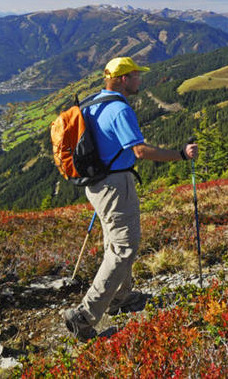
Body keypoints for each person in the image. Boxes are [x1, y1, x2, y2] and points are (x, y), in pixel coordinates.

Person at [63, 56, 198, 341]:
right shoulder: (120, 110)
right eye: (137, 75)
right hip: (115, 184)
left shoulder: (94, 102)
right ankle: (85, 316)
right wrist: (180, 155)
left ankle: (120, 298)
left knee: (114, 242)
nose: (140, 80)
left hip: (97, 183)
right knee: (124, 247)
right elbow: (140, 151)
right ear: (124, 79)